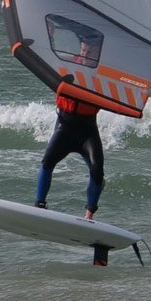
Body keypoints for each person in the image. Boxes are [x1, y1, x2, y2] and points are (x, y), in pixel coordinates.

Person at [35, 86, 103, 218]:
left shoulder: (98, 78)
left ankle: (89, 215)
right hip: (65, 126)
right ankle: (40, 205)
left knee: (97, 169)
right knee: (48, 162)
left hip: (88, 130)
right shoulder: (68, 70)